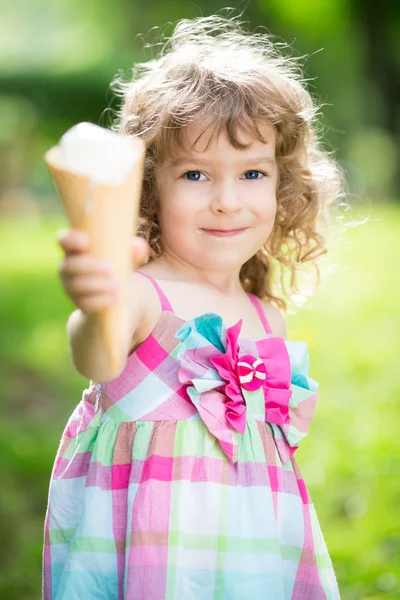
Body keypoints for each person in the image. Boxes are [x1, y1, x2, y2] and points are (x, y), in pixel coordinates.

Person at [43, 14, 343, 600]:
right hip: (156, 556)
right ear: (153, 186)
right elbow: (98, 358)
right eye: (197, 174)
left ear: (283, 185)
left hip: (251, 556)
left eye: (253, 172)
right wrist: (96, 303)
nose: (228, 201)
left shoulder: (265, 317)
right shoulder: (141, 295)